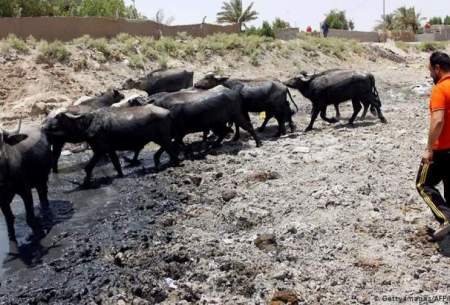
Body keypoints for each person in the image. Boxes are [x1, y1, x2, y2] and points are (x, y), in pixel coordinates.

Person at [416, 51, 450, 241]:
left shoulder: (440, 89)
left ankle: (445, 218)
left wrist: (429, 148)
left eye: (430, 70)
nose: (430, 74)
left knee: (423, 184)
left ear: (437, 68)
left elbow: (438, 121)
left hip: (442, 149)